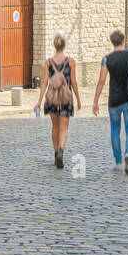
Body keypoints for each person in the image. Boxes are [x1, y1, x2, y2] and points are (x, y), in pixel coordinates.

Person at [91, 29, 128, 175]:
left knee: (115, 130)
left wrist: (95, 101)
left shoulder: (107, 59)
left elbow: (101, 81)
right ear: (123, 40)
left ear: (112, 42)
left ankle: (118, 161)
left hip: (113, 100)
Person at [34, 34, 79, 169]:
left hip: (52, 99)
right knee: (64, 129)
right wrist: (78, 98)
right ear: (64, 46)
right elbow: (74, 82)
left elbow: (43, 82)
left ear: (54, 46)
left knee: (55, 127)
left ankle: (55, 155)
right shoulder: (70, 62)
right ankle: (61, 152)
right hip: (65, 99)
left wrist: (39, 101)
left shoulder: (48, 62)